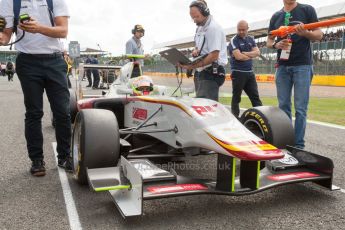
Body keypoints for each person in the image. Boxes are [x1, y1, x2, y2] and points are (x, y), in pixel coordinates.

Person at [0, 0, 72, 176]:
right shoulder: (9, 2)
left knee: (62, 112)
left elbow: (63, 31)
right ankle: (37, 160)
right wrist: (1, 35)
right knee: (33, 113)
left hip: (55, 60)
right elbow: (6, 36)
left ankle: (65, 156)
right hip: (28, 61)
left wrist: (38, 28)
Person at [266, 0, 323, 149]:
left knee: (300, 108)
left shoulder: (307, 9)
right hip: (282, 66)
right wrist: (275, 45)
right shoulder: (276, 16)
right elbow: (269, 40)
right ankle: (285, 143)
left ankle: (298, 146)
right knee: (283, 106)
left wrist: (306, 33)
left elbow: (319, 35)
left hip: (302, 65)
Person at [179, 0, 227, 101]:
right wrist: (195, 52)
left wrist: (192, 65)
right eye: (192, 17)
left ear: (205, 12)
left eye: (196, 17)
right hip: (201, 71)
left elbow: (214, 55)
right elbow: (198, 47)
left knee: (208, 109)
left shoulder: (213, 28)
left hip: (211, 72)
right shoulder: (199, 28)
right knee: (200, 105)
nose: (194, 20)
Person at [228, 20, 263, 118]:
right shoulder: (234, 40)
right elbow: (238, 57)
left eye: (243, 30)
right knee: (236, 98)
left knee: (255, 97)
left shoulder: (251, 39)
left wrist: (246, 53)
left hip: (250, 73)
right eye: (239, 30)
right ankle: (235, 118)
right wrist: (252, 55)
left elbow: (258, 53)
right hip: (238, 73)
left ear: (248, 29)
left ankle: (261, 118)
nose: (241, 32)